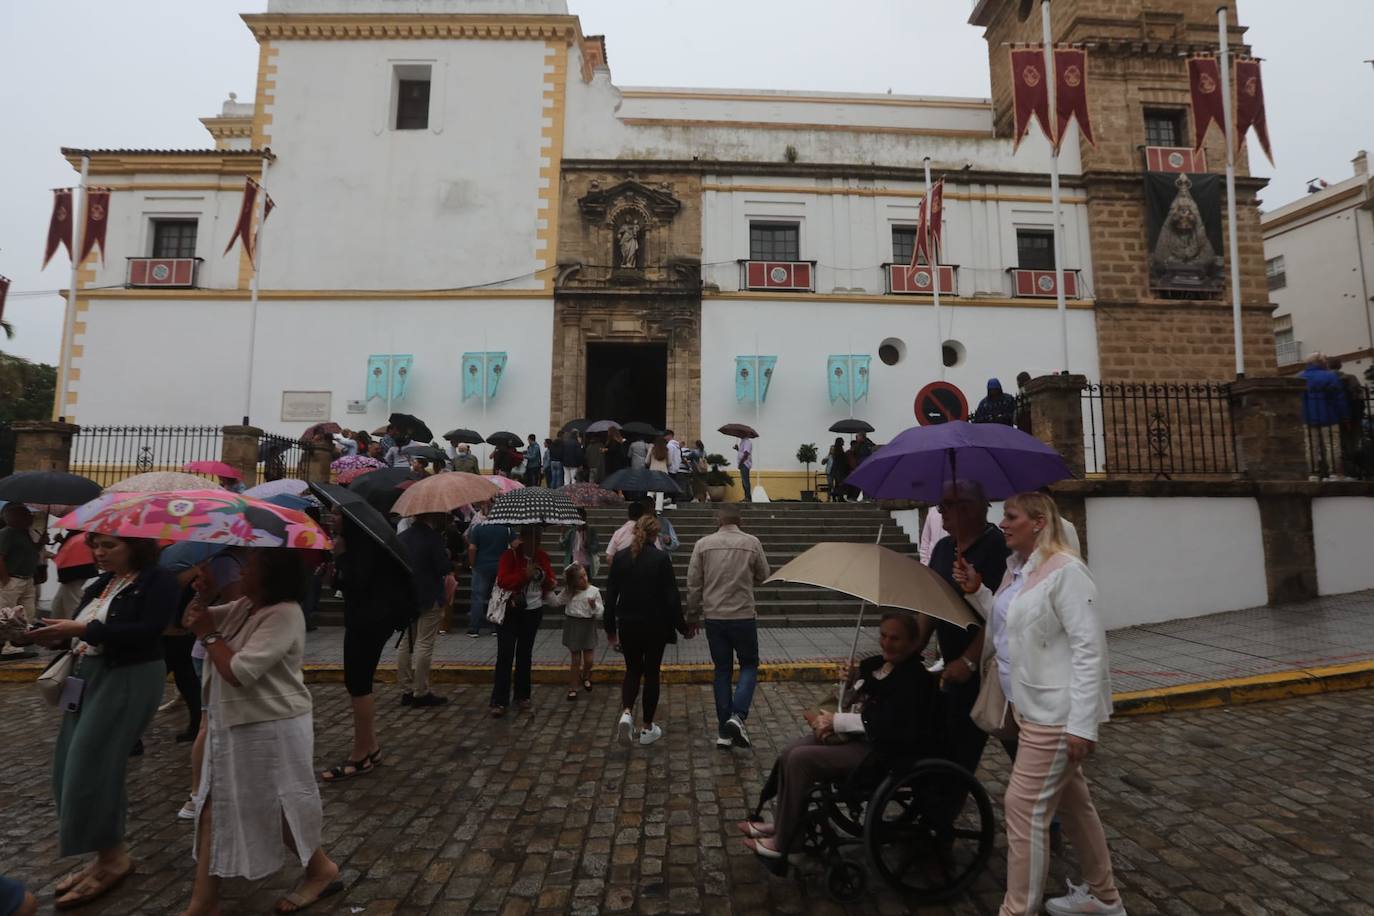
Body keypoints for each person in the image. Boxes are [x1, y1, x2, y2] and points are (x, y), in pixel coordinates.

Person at [952, 492, 1122, 916]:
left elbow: (1089, 648)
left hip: (1055, 712)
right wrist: (978, 592)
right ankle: (1105, 897)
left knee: (1022, 807)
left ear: (1039, 522)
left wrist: (1082, 725)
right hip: (1027, 705)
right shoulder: (1018, 570)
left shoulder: (1067, 572)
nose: (1002, 523)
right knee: (1074, 805)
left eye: (1011, 516)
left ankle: (1016, 909)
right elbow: (1012, 624)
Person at [179, 550, 343, 916]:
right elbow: (194, 621)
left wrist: (207, 636)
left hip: (272, 728)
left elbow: (238, 670)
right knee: (214, 805)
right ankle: (205, 903)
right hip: (237, 725)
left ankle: (319, 870)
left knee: (279, 806)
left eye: (251, 566)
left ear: (271, 575)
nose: (243, 571)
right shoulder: (245, 607)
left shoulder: (283, 614)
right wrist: (202, 596)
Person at [25, 534, 179, 910]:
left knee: (91, 766)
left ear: (136, 545)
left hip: (128, 676)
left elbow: (147, 631)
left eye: (110, 545)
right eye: (96, 544)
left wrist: (81, 631)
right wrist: (46, 633)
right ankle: (105, 854)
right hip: (88, 675)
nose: (99, 552)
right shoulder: (101, 582)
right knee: (67, 767)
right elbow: (79, 629)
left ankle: (114, 860)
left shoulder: (158, 581)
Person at [741, 612, 936, 859]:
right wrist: (847, 683)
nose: (887, 643)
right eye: (883, 636)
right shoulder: (873, 665)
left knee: (802, 759)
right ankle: (784, 824)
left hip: (881, 751)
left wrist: (836, 721)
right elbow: (851, 703)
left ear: (913, 643)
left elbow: (888, 724)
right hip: (856, 739)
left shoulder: (916, 679)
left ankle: (788, 840)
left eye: (895, 639)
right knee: (791, 751)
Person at [919, 480, 1010, 781]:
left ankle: (1052, 814)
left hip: (990, 667)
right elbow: (932, 603)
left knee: (1017, 743)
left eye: (946, 505)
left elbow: (1000, 614)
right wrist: (910, 646)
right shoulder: (945, 548)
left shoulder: (998, 548)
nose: (939, 511)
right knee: (956, 748)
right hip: (957, 667)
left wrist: (970, 660)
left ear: (969, 508)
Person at [320, 512, 413, 782]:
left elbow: (359, 581)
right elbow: (348, 583)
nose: (332, 518)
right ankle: (370, 747)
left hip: (369, 621)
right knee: (357, 684)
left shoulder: (363, 546)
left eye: (337, 514)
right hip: (368, 619)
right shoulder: (362, 544)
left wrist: (340, 556)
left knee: (359, 685)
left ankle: (359, 755)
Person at [687, 505, 770, 749]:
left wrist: (692, 615)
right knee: (749, 664)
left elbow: (694, 584)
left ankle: (724, 730)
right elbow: (764, 575)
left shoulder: (703, 544)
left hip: (714, 616)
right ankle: (738, 716)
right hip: (743, 615)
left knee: (721, 670)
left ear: (718, 520)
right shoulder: (752, 542)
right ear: (740, 521)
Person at [605, 516, 688, 747]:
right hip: (655, 624)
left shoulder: (621, 557)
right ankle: (647, 727)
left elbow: (610, 596)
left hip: (628, 623)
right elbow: (672, 597)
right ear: (655, 534)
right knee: (651, 673)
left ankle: (627, 712)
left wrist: (610, 629)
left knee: (632, 670)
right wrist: (682, 627)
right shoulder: (661, 558)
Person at [490, 526, 555, 716]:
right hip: (511, 611)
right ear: (524, 538)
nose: (537, 543)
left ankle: (522, 695)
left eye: (539, 538)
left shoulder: (541, 556)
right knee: (505, 654)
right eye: (533, 538)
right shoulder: (510, 556)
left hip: (532, 611)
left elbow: (550, 580)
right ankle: (499, 700)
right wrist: (523, 575)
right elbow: (503, 580)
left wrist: (543, 577)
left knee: (525, 655)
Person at [396, 512, 450, 708]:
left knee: (405, 643)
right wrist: (446, 555)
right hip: (429, 595)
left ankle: (406, 688)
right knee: (425, 644)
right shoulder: (433, 538)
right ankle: (421, 690)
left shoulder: (402, 537)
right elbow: (443, 567)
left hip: (408, 596)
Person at [556, 562, 602, 700]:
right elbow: (557, 601)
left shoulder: (594, 591)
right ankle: (573, 687)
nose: (584, 579)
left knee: (589, 660)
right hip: (573, 625)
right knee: (575, 660)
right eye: (580, 578)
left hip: (588, 625)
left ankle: (586, 675)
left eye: (585, 575)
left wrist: (594, 606)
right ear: (573, 582)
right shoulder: (569, 592)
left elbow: (600, 612)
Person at [0, 504, 41, 659]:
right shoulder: (6, 533)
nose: (29, 517)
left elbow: (29, 553)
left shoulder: (24, 533)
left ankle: (19, 643)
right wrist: (5, 579)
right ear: (12, 517)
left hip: (27, 579)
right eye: (25, 514)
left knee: (26, 613)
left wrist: (41, 543)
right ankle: (7, 647)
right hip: (13, 579)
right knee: (7, 614)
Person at [466, 504, 512, 638]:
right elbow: (515, 544)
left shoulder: (478, 529)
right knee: (496, 596)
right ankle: (495, 626)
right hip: (500, 567)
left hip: (481, 567)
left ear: (486, 515)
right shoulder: (506, 529)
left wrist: (472, 564)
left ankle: (474, 628)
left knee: (478, 597)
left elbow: (472, 548)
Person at [1300, 355, 1348, 480]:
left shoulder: (1300, 377)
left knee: (1310, 445)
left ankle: (1313, 473)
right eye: (1325, 360)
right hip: (1329, 415)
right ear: (1321, 362)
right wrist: (1345, 416)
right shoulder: (1330, 376)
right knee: (1332, 444)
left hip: (1308, 416)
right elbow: (1339, 398)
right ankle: (1334, 473)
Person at [560, 507, 601, 580]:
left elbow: (596, 547)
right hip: (574, 565)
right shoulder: (571, 532)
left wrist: (588, 546)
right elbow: (562, 547)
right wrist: (562, 534)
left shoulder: (590, 531)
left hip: (587, 565)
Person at [605, 501, 646, 566]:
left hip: (622, 569)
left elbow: (609, 557)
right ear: (643, 515)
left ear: (628, 514)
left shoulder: (619, 532)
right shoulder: (648, 532)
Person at [825, 438, 849, 502]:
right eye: (842, 441)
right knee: (840, 484)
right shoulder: (839, 450)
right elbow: (840, 460)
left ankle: (836, 496)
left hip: (837, 470)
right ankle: (837, 496)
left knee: (838, 484)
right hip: (839, 470)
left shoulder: (837, 450)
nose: (843, 442)